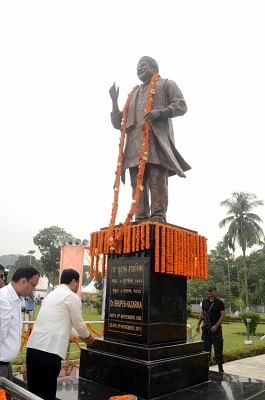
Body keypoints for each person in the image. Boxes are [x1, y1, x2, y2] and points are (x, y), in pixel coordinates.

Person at [109, 56, 191, 223]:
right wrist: (114, 101)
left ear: (154, 67)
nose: (139, 69)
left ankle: (158, 215)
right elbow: (119, 123)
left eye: (143, 65)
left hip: (155, 141)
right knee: (136, 183)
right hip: (134, 146)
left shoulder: (166, 84)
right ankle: (140, 215)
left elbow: (181, 105)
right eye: (137, 67)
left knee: (156, 179)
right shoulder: (133, 95)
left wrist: (161, 112)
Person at [26, 268, 95, 400]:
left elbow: (64, 324)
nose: (77, 286)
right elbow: (78, 323)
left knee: (32, 391)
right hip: (50, 351)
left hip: (33, 348)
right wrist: (88, 338)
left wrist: (81, 336)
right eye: (78, 283)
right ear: (74, 281)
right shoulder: (71, 296)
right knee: (47, 392)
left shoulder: (51, 295)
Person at [0, 266, 40, 380]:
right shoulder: (3, 298)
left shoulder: (16, 298)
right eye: (33, 285)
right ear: (23, 281)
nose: (34, 290)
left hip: (6, 364)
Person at [196, 284, 225, 373]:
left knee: (218, 349)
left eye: (211, 291)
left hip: (216, 330)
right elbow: (202, 314)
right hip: (206, 330)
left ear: (215, 291)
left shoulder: (220, 302)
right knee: (205, 349)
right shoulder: (204, 301)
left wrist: (216, 326)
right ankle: (205, 369)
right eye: (208, 291)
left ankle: (220, 369)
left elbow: (223, 315)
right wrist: (198, 325)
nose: (210, 292)